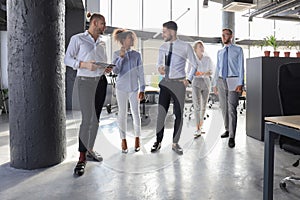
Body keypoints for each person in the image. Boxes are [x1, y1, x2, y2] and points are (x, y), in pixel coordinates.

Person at [64, 13, 112, 176]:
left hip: (100, 81)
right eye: (103, 24)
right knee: (87, 119)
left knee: (96, 119)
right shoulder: (78, 39)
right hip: (84, 81)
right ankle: (81, 157)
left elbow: (101, 62)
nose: (104, 27)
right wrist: (83, 64)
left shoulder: (102, 43)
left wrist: (106, 68)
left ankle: (90, 149)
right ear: (95, 23)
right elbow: (67, 59)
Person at [150, 21, 197, 155]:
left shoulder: (185, 47)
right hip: (165, 82)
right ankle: (158, 141)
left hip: (178, 84)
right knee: (161, 114)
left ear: (172, 32)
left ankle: (175, 143)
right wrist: (160, 68)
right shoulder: (162, 47)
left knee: (179, 115)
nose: (163, 34)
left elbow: (194, 64)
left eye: (164, 32)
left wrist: (189, 79)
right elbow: (158, 64)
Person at [112, 29, 145, 153]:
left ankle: (137, 138)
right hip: (121, 88)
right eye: (129, 38)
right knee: (122, 114)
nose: (132, 40)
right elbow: (115, 71)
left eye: (132, 38)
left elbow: (140, 73)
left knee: (136, 113)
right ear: (123, 40)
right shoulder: (116, 54)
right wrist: (121, 58)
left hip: (134, 88)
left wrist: (142, 88)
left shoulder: (137, 55)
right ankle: (123, 139)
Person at [212, 28, 244, 148]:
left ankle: (232, 136)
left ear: (231, 36)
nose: (224, 37)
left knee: (232, 109)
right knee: (224, 108)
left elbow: (241, 67)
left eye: (226, 35)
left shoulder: (238, 50)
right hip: (221, 81)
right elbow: (217, 68)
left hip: (233, 81)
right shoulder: (220, 52)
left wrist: (241, 83)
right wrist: (214, 84)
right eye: (222, 35)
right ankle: (227, 129)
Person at [189, 41, 214, 138]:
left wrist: (201, 73)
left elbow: (211, 71)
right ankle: (197, 128)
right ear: (195, 49)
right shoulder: (192, 60)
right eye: (200, 46)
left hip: (206, 83)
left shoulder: (207, 59)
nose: (202, 48)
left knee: (204, 106)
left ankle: (201, 126)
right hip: (196, 83)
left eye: (202, 46)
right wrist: (202, 73)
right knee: (197, 105)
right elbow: (190, 73)